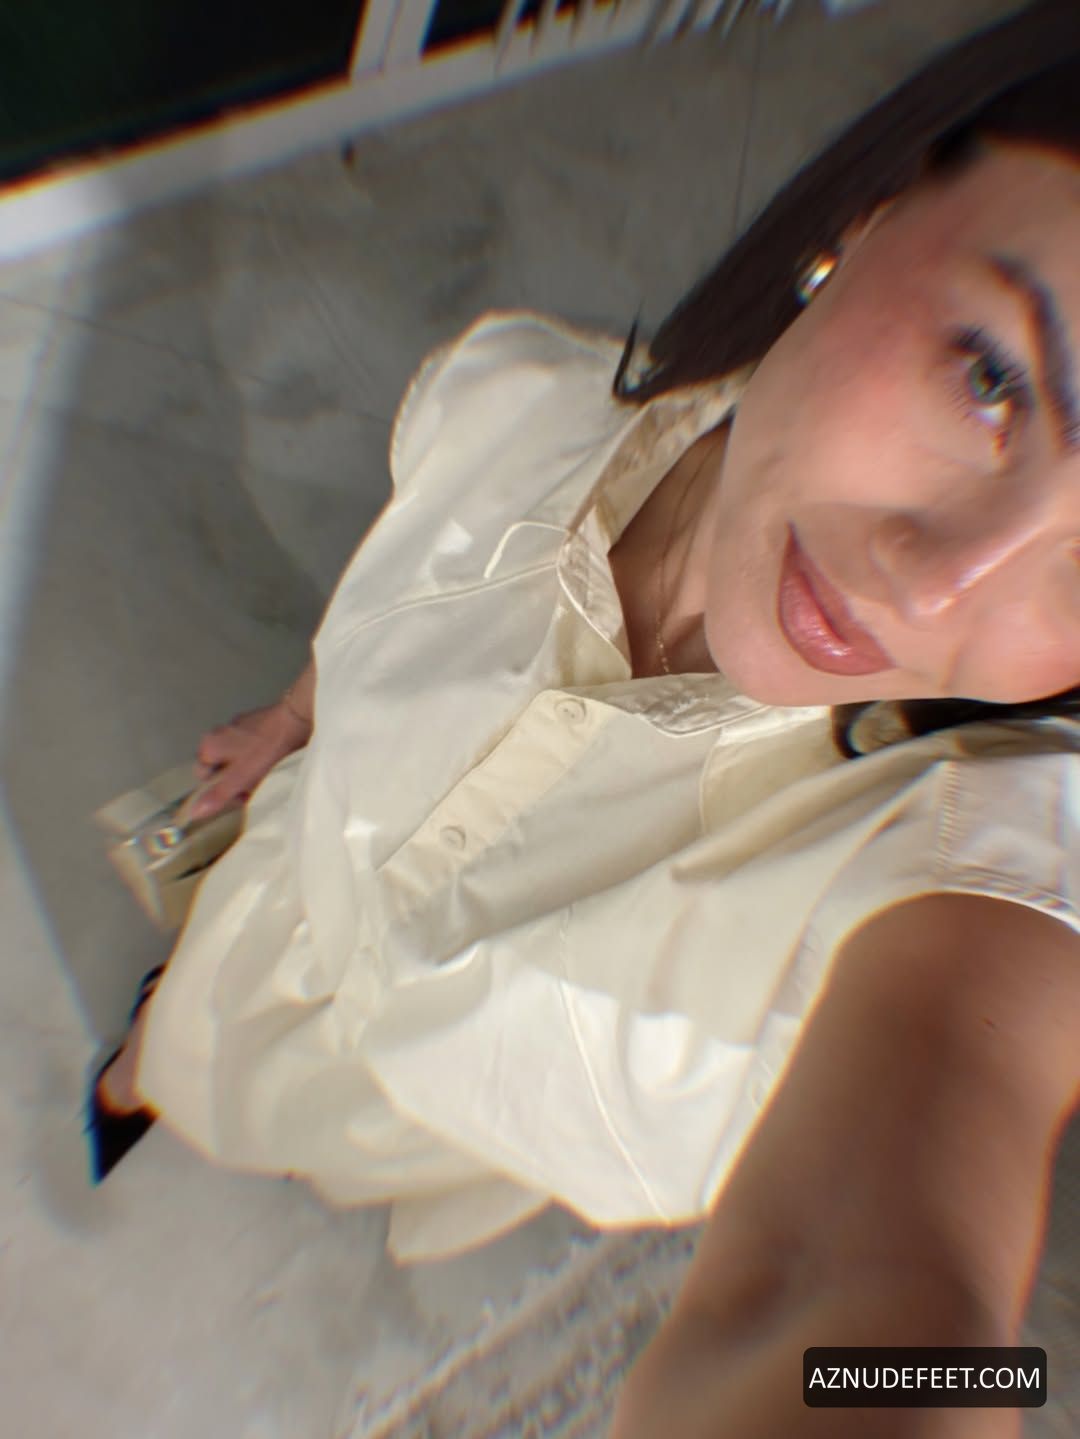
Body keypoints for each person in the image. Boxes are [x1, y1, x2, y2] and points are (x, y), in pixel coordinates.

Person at [90, 1, 1078, 1431]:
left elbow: (891, 1313)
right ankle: (150, 1063)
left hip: (390, 1114)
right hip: (273, 897)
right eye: (993, 378)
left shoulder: (949, 877)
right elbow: (389, 571)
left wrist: (921, 1375)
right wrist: (297, 715)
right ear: (868, 217)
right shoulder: (517, 395)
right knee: (186, 1036)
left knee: (284, 1111)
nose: (939, 582)